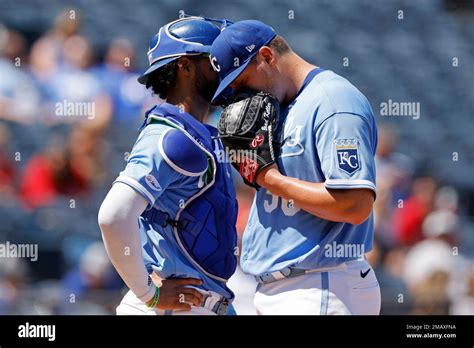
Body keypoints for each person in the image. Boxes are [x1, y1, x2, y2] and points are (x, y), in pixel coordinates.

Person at [210, 20, 380, 314]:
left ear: (267, 56)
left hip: (321, 285)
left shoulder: (333, 102)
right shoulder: (278, 107)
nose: (238, 94)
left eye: (241, 81)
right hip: (283, 289)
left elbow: (355, 205)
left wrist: (269, 178)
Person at [98, 16, 238, 315]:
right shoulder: (170, 136)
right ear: (185, 67)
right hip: (169, 308)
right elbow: (113, 215)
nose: (226, 67)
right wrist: (149, 294)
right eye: (214, 60)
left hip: (199, 304)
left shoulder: (198, 134)